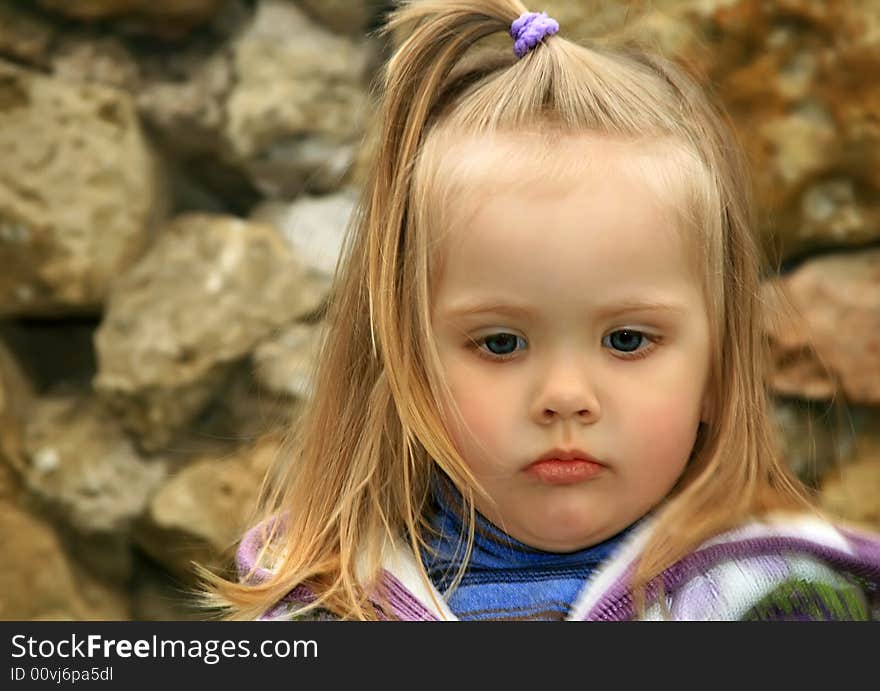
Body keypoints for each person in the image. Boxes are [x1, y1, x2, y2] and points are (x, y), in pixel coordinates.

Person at [201, 0, 880, 620]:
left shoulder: (779, 603)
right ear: (400, 358)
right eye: (499, 343)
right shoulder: (323, 604)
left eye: (626, 339)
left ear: (718, 364)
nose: (564, 397)